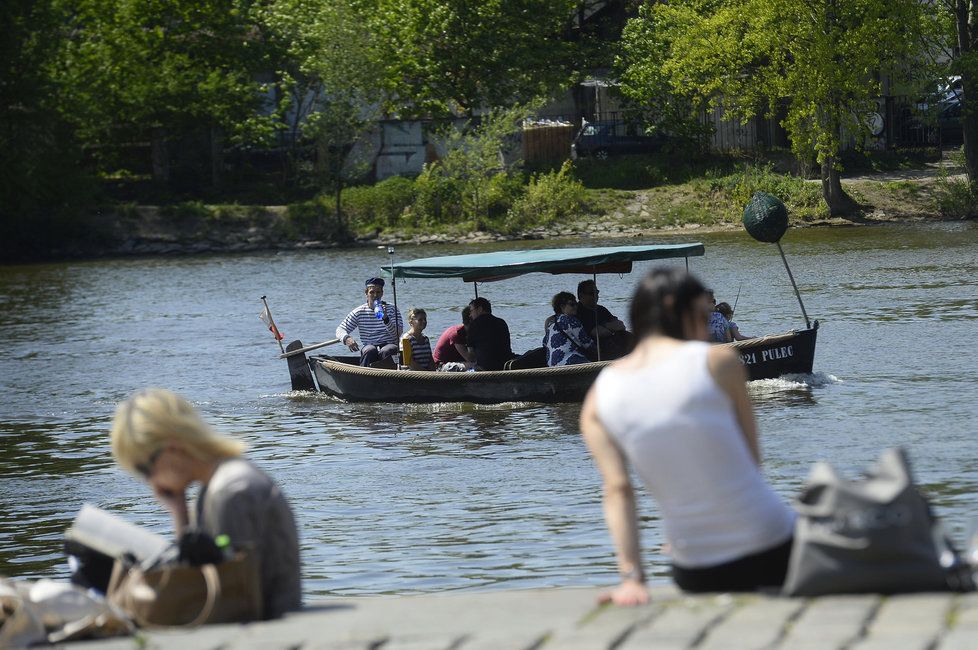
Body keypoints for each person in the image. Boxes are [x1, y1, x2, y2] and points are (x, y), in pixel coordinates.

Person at [579, 269, 794, 606]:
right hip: (769, 549)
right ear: (672, 309)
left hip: (693, 569)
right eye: (700, 315)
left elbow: (618, 490)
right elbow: (752, 462)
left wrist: (632, 579)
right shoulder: (720, 361)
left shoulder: (599, 394)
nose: (705, 326)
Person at [110, 388, 301, 619]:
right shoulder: (215, 485)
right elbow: (208, 578)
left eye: (145, 469)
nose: (151, 483)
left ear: (172, 447)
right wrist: (179, 511)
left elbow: (230, 596)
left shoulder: (230, 493)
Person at [336, 277, 404, 366]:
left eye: (378, 292)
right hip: (370, 345)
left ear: (382, 293)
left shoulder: (392, 309)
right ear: (366, 293)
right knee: (369, 350)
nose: (375, 295)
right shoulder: (359, 311)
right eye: (372, 292)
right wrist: (347, 339)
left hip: (389, 344)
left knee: (388, 350)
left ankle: (389, 377)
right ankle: (364, 376)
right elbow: (340, 329)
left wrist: (386, 319)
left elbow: (397, 334)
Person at [576, 280, 634, 359]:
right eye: (591, 293)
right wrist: (611, 328)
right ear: (581, 295)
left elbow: (620, 325)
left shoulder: (601, 309)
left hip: (612, 342)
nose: (595, 295)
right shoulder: (579, 312)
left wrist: (604, 326)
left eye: (597, 292)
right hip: (597, 349)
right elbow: (598, 332)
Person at [545, 291, 596, 366]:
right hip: (570, 361)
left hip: (552, 364)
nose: (576, 307)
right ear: (562, 306)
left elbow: (545, 343)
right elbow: (586, 343)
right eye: (572, 304)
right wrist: (600, 350)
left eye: (576, 304)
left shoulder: (551, 323)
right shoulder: (570, 320)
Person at [465, 297, 514, 371]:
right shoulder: (501, 322)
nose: (470, 315)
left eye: (471, 311)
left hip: (485, 367)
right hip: (505, 363)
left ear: (480, 309)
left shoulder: (474, 325)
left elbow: (471, 355)